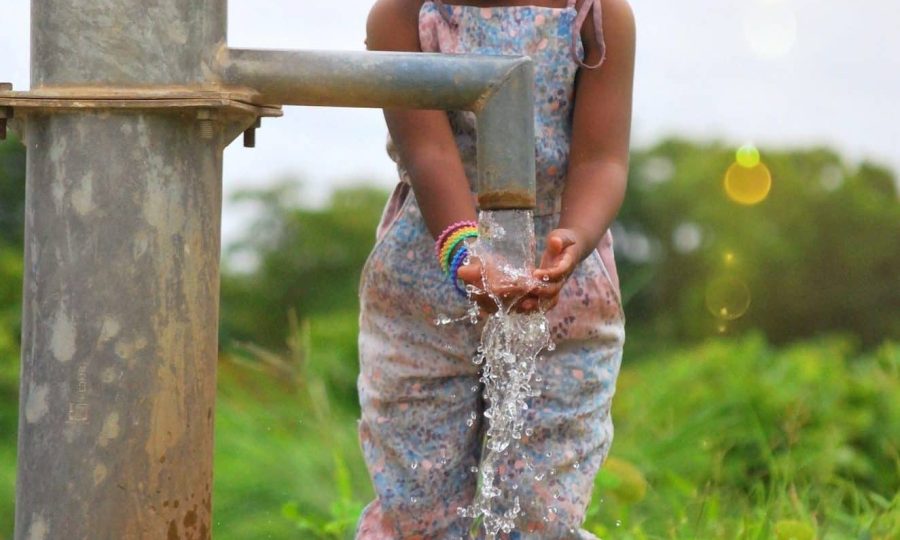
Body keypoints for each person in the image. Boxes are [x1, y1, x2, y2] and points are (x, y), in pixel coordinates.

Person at [356, 0, 635, 537]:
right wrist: (465, 250)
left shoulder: (597, 16)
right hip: (432, 274)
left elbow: (603, 159)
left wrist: (574, 239)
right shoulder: (404, 14)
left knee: (540, 510)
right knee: (419, 504)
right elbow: (428, 152)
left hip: (558, 285)